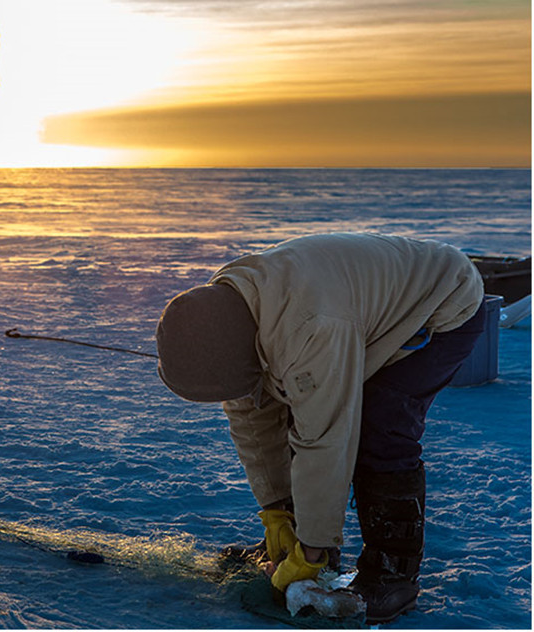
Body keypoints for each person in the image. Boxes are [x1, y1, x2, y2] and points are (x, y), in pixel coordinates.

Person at [154, 233, 485, 623]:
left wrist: (311, 552)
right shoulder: (225, 313)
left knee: (380, 426)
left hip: (441, 304)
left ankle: (392, 572)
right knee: (304, 404)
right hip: (352, 310)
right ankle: (307, 544)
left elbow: (326, 436)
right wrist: (276, 511)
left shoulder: (309, 326)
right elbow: (251, 415)